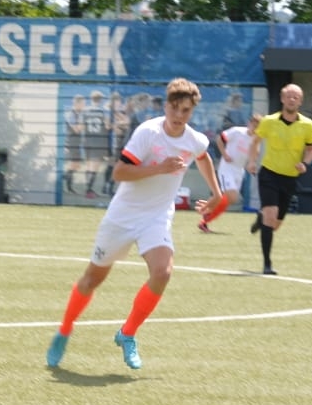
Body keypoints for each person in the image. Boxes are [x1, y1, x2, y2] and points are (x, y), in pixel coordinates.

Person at [45, 77, 222, 371]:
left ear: (192, 111)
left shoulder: (195, 139)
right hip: (123, 216)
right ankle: (64, 330)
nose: (179, 115)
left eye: (186, 110)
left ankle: (127, 333)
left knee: (163, 273)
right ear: (166, 106)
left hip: (157, 216)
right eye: (175, 108)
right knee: (91, 280)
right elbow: (119, 173)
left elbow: (203, 157)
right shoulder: (148, 133)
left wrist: (216, 193)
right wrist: (159, 168)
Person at [246, 83, 312, 275]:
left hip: (290, 178)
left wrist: (305, 163)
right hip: (269, 174)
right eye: (288, 96)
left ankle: (261, 218)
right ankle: (267, 265)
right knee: (271, 217)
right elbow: (255, 142)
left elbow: (311, 149)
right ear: (282, 99)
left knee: (275, 224)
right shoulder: (269, 121)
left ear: (300, 101)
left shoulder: (307, 124)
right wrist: (252, 161)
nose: (292, 99)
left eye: (296, 97)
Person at [199, 112, 259, 233]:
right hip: (227, 168)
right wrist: (225, 154)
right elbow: (219, 139)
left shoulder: (256, 140)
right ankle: (206, 212)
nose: (255, 128)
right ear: (249, 123)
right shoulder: (237, 131)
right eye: (254, 125)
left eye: (258, 127)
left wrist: (251, 164)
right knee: (232, 196)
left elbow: (254, 154)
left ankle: (206, 216)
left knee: (231, 199)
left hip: (239, 170)